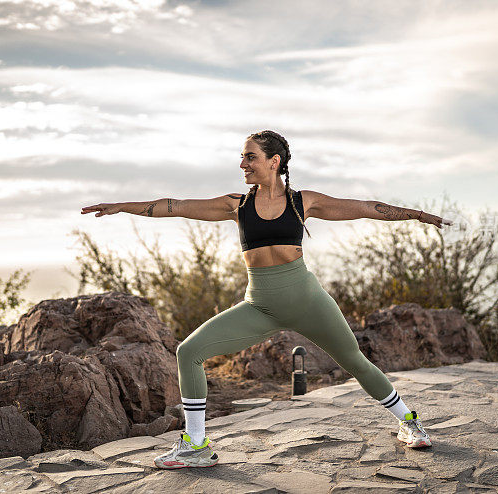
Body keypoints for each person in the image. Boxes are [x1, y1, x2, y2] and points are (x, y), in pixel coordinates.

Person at [81, 130, 453, 469]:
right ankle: (196, 444)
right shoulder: (236, 205)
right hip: (259, 306)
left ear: (273, 162)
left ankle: (410, 423)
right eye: (243, 158)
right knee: (188, 351)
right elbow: (173, 205)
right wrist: (121, 206)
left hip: (308, 301)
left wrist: (416, 215)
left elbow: (367, 208)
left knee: (355, 361)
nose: (242, 164)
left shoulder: (303, 202)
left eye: (250, 157)